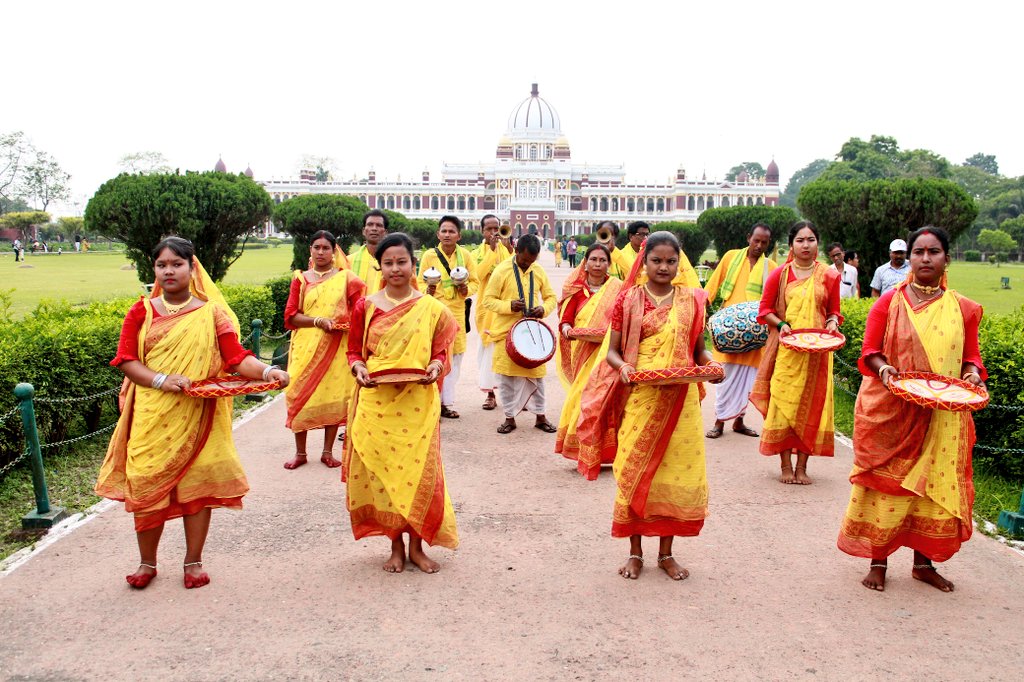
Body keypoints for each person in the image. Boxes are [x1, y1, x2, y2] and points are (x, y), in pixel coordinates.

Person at [95, 236, 289, 590]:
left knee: (197, 487)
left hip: (200, 415)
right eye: (161, 265)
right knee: (146, 482)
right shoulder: (141, 311)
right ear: (154, 269)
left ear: (191, 267)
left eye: (176, 264)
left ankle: (193, 561)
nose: (169, 271)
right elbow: (126, 361)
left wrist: (266, 372)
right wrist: (161, 379)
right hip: (152, 415)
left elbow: (235, 357)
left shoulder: (210, 312)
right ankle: (147, 563)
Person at [838, 227, 984, 593]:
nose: (924, 258)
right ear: (910, 257)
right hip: (892, 411)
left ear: (946, 258)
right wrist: (886, 371)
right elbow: (870, 352)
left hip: (943, 414)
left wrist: (972, 376)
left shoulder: (963, 309)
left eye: (933, 252)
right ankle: (878, 561)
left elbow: (971, 358)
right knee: (888, 486)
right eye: (919, 251)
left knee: (931, 488)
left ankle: (923, 563)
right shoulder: (889, 303)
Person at [584, 231, 720, 579]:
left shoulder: (692, 301)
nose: (664, 267)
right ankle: (634, 552)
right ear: (643, 263)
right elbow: (613, 351)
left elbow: (698, 350)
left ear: (679, 263)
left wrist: (711, 365)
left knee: (673, 475)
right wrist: (624, 367)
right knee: (633, 468)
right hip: (642, 394)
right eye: (656, 260)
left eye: (671, 261)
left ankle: (665, 554)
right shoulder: (628, 300)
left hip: (681, 399)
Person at [346, 232, 459, 573]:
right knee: (385, 476)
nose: (395, 269)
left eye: (402, 262)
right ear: (380, 267)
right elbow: (354, 351)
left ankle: (418, 547)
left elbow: (441, 350)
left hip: (417, 402)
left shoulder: (432, 309)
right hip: (376, 402)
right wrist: (359, 367)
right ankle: (395, 545)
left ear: (414, 264)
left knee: (417, 472)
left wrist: (437, 365)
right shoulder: (365, 307)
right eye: (388, 263)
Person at [750, 221, 842, 485]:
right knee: (783, 406)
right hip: (787, 352)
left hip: (818, 353)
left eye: (811, 239)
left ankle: (802, 466)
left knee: (812, 407)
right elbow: (765, 310)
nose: (806, 245)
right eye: (800, 240)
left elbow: (833, 311)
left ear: (818, 243)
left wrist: (832, 323)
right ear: (791, 244)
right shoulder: (780, 275)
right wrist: (782, 325)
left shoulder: (829, 275)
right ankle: (785, 466)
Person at [282, 230, 366, 469]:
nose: (320, 252)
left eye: (325, 248)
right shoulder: (300, 278)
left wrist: (346, 326)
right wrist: (317, 321)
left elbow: (360, 309)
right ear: (310, 250)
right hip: (305, 346)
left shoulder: (346, 278)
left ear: (334, 251)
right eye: (316, 247)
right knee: (297, 394)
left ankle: (327, 452)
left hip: (336, 346)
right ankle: (300, 453)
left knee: (333, 395)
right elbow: (291, 317)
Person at [703, 222, 777, 439]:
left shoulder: (771, 267)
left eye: (764, 242)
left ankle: (739, 421)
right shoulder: (730, 257)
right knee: (726, 377)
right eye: (756, 240)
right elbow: (713, 285)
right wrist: (702, 307)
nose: (759, 245)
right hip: (728, 331)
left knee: (748, 380)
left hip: (755, 333)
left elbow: (774, 299)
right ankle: (719, 422)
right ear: (748, 238)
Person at [554, 242, 623, 467]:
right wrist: (566, 328)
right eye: (593, 259)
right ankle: (581, 449)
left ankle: (607, 453)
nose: (597, 264)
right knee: (582, 400)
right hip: (583, 353)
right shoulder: (577, 290)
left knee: (605, 401)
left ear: (609, 264)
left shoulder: (618, 289)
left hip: (608, 355)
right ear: (585, 263)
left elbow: (624, 319)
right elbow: (566, 319)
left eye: (602, 260)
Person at [481, 234, 557, 434]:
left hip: (531, 332)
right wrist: (509, 305)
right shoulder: (502, 271)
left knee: (538, 378)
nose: (527, 265)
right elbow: (488, 300)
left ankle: (540, 417)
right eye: (524, 261)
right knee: (506, 379)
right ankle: (509, 418)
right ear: (516, 252)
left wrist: (543, 309)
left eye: (531, 261)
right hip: (506, 333)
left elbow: (551, 297)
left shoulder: (538, 270)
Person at [418, 215, 479, 419]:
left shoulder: (466, 256)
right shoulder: (428, 256)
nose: (447, 234)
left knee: (455, 357)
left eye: (451, 231)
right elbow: (417, 283)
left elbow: (476, 282)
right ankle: (432, 401)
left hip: (456, 312)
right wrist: (427, 290)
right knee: (432, 355)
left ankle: (446, 403)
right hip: (434, 312)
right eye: (443, 231)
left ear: (459, 235)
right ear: (438, 234)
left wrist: (465, 289)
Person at [473, 214, 513, 410]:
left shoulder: (506, 251)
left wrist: (511, 251)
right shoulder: (477, 253)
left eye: (496, 228)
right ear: (482, 231)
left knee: (508, 350)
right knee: (487, 350)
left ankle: (512, 394)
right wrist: (491, 252)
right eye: (488, 229)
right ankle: (490, 393)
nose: (493, 232)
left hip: (505, 308)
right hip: (486, 309)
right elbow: (477, 275)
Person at [349, 209, 389, 295]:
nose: (374, 228)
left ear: (385, 232)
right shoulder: (348, 261)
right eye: (370, 224)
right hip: (356, 308)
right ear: (364, 231)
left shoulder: (392, 262)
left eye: (378, 225)